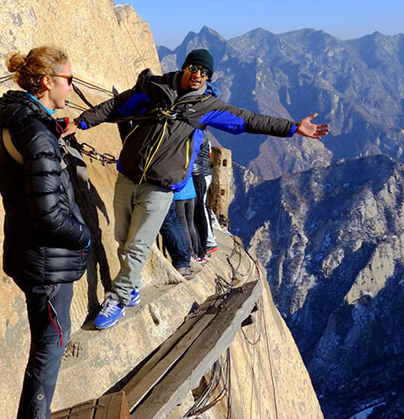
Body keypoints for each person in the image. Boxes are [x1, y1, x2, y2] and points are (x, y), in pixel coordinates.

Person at [63, 48, 329, 329]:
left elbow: (249, 120)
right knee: (122, 237)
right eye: (194, 68)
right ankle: (132, 286)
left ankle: (119, 296)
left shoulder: (207, 106)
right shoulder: (154, 88)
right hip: (129, 177)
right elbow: (117, 106)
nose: (198, 75)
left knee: (138, 244)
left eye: (204, 72)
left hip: (161, 188)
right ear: (185, 67)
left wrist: (291, 128)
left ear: (208, 77)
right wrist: (80, 122)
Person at [0, 46, 92, 419]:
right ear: (47, 82)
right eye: (69, 80)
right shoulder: (37, 133)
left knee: (47, 342)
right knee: (50, 347)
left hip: (26, 251)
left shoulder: (15, 119)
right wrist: (85, 237)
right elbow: (49, 219)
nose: (72, 89)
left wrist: (52, 133)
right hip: (48, 262)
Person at [191, 136, 215, 256]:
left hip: (201, 175)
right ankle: (209, 238)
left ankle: (209, 241)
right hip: (205, 174)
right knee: (204, 206)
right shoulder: (206, 138)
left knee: (201, 208)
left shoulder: (199, 137)